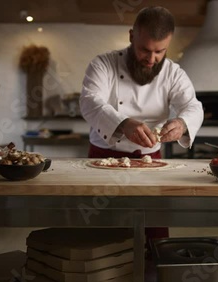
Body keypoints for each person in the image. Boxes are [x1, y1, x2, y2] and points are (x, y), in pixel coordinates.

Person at [79, 6, 204, 243]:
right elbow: (89, 102)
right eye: (145, 50)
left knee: (153, 228)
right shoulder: (103, 64)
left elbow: (193, 106)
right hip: (103, 158)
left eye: (160, 51)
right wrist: (123, 123)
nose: (152, 59)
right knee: (103, 233)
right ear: (131, 36)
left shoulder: (173, 73)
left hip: (150, 159)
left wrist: (181, 122)